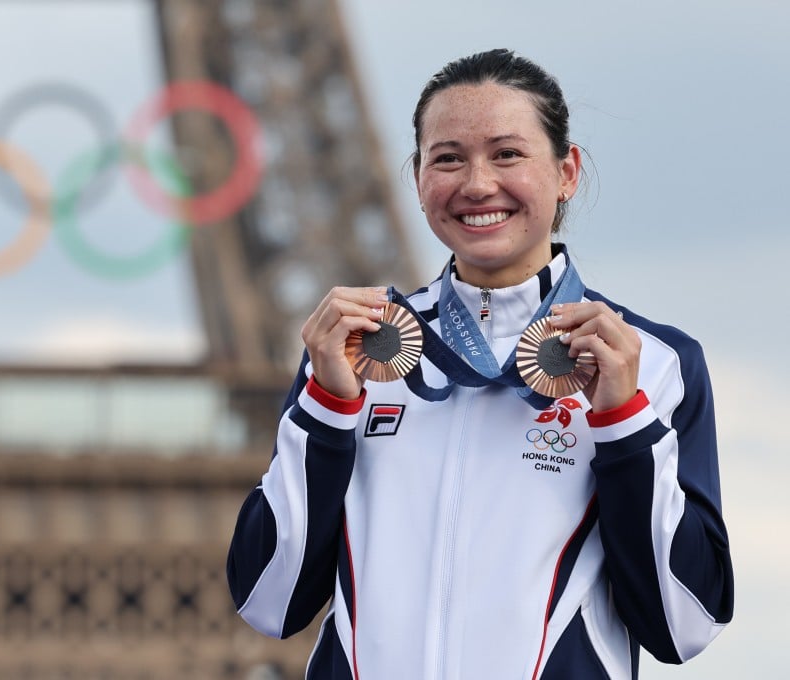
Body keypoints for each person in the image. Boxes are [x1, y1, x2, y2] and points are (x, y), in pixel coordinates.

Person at [226, 49, 733, 679]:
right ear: (416, 179)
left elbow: (683, 625)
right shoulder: (355, 349)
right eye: (447, 158)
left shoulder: (654, 364)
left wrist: (624, 423)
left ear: (567, 171)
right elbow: (268, 602)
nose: (476, 184)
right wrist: (327, 411)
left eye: (507, 154)